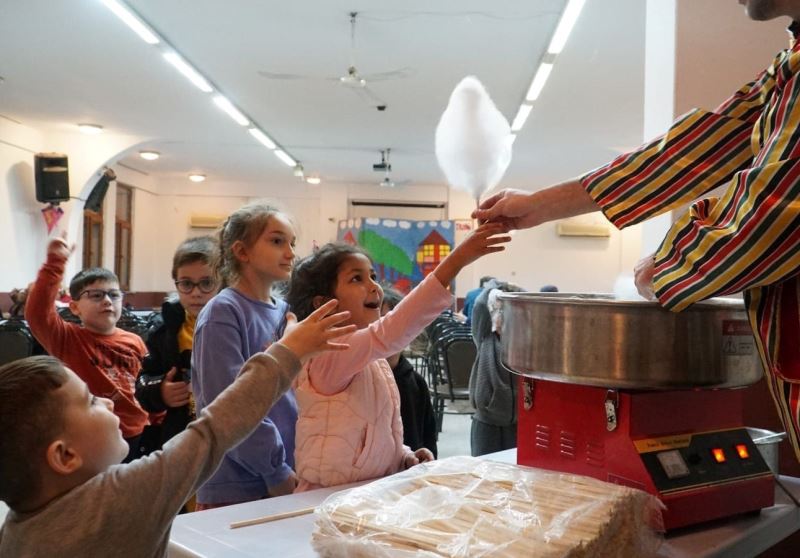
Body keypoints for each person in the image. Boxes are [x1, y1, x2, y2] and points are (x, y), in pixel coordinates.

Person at [474, 2, 800, 461]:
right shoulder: (789, 66)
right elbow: (698, 147)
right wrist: (540, 205)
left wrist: (665, 267)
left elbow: (771, 214)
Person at [0, 300, 355, 558]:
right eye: (91, 401)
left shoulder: (17, 531)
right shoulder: (122, 496)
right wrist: (289, 351)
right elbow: (215, 429)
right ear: (65, 456)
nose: (107, 402)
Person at [286, 222, 510, 491]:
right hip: (326, 497)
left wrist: (403, 456)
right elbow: (390, 331)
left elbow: (372, 430)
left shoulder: (371, 357)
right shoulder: (330, 352)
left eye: (372, 277)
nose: (374, 288)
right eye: (357, 279)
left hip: (362, 494)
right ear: (323, 303)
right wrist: (457, 259)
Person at [191, 202, 298, 508]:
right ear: (242, 251)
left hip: (287, 471)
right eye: (277, 241)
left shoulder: (285, 312)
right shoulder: (223, 312)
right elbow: (228, 405)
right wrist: (274, 469)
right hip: (236, 483)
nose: (289, 252)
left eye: (292, 243)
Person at [25, 232, 150, 462]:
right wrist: (55, 263)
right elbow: (37, 313)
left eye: (114, 295)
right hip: (90, 435)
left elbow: (144, 385)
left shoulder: (135, 341)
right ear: (74, 307)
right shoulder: (67, 338)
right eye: (96, 295)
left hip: (136, 431)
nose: (107, 301)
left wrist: (157, 418)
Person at [135, 236, 218, 453]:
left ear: (222, 281)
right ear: (176, 283)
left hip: (227, 431)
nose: (196, 292)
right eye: (187, 284)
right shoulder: (165, 329)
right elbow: (143, 380)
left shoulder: (237, 325)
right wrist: (160, 390)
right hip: (180, 436)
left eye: (207, 283)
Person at [381, 287, 438, 458]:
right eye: (382, 323)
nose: (391, 331)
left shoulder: (416, 383)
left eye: (398, 323)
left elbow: (428, 439)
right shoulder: (356, 380)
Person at [469, 282, 524, 456]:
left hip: (519, 422)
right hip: (487, 422)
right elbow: (479, 305)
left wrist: (517, 295)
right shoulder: (486, 338)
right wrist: (495, 286)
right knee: (484, 472)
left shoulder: (524, 346)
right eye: (498, 311)